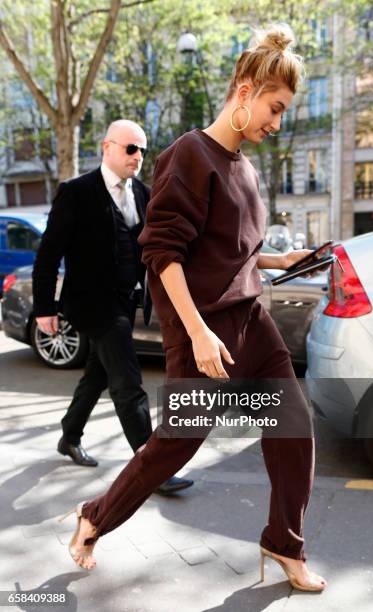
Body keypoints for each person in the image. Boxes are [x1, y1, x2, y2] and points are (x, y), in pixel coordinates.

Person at [60, 25, 328, 592]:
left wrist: (282, 261)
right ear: (245, 89)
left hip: (252, 322)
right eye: (274, 109)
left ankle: (283, 543)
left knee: (294, 428)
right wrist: (200, 332)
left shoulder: (246, 170)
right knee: (176, 445)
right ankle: (94, 517)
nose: (275, 124)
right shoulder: (189, 154)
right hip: (202, 330)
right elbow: (162, 253)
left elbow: (236, 252)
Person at [32, 119, 193, 495]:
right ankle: (153, 469)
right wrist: (45, 308)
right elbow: (48, 254)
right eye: (130, 148)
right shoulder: (75, 192)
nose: (138, 156)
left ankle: (69, 436)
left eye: (142, 150)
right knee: (127, 383)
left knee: (98, 374)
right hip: (92, 305)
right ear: (107, 147)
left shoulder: (143, 193)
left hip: (126, 300)